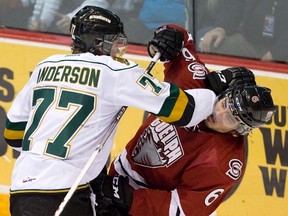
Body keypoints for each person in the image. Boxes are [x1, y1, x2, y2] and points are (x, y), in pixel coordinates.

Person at [3, 6, 218, 216]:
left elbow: (13, 134)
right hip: (66, 193)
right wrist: (215, 93)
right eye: (115, 41)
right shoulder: (116, 70)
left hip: (21, 190)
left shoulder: (45, 66)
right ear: (98, 43)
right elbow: (184, 110)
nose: (119, 48)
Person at [91, 25, 277, 216]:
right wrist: (170, 36)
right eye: (225, 102)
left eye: (230, 117)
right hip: (120, 174)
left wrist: (128, 199)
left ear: (239, 130)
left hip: (149, 203)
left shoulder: (222, 162)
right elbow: (184, 40)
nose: (219, 111)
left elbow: (180, 209)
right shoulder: (195, 84)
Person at [201, 0, 288, 63]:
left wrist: (276, 53)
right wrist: (221, 28)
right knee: (210, 46)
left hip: (282, 51)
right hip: (250, 41)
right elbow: (235, 5)